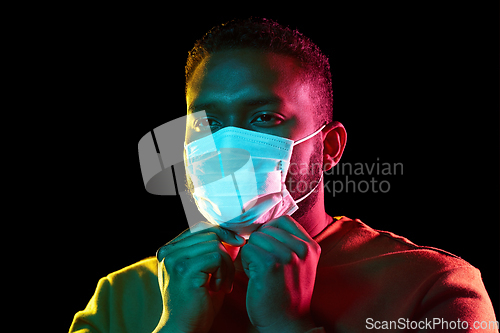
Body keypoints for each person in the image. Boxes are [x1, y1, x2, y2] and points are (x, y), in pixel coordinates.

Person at [70, 17, 498, 333]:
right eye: (209, 122)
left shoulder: (433, 289)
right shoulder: (117, 298)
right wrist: (176, 325)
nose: (228, 146)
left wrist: (288, 325)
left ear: (328, 147)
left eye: (263, 118)